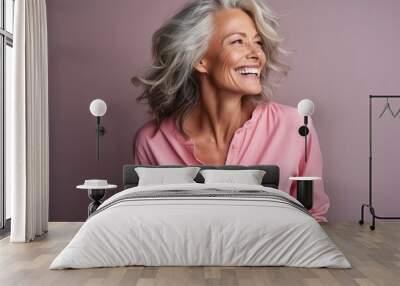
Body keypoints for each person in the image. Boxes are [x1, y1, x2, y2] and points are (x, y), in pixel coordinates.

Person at [132, 0, 329, 221]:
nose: (257, 54)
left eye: (258, 42)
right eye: (237, 41)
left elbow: (313, 217)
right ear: (199, 59)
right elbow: (148, 223)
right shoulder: (152, 142)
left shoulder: (295, 126)